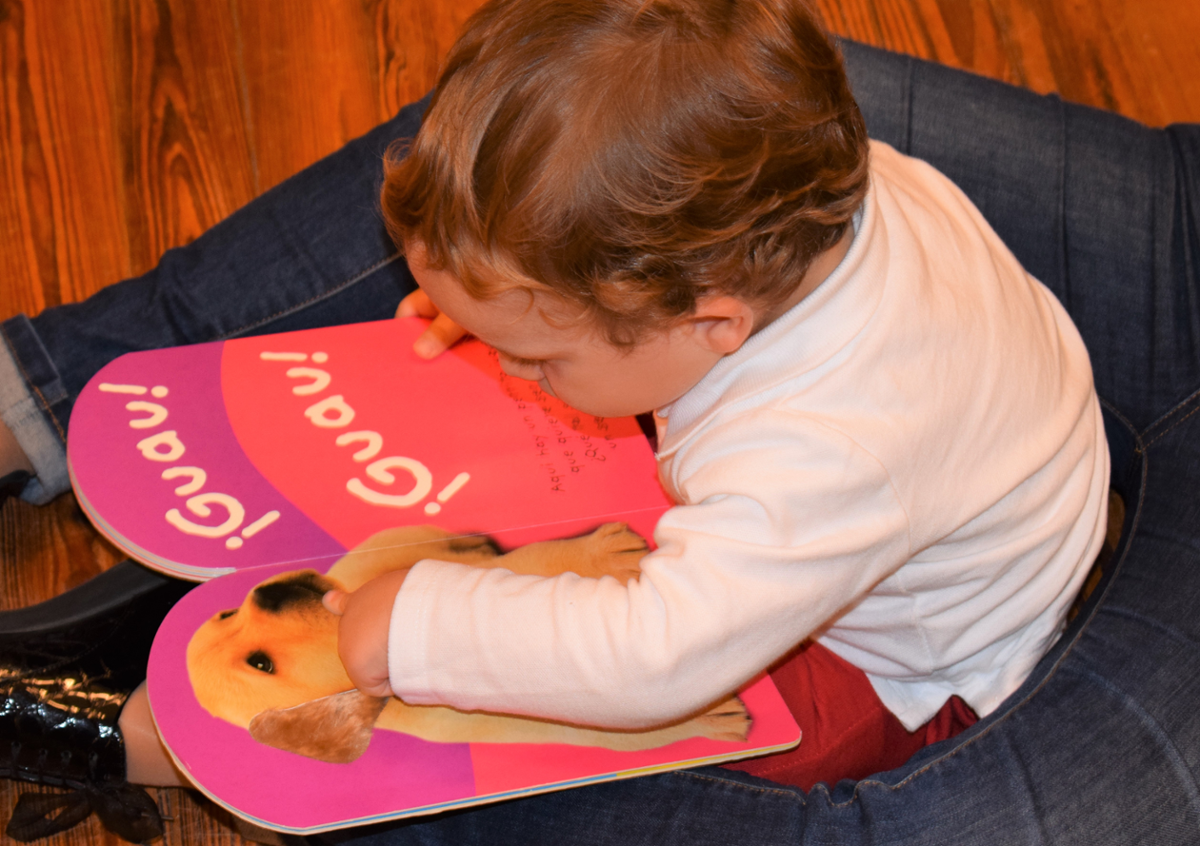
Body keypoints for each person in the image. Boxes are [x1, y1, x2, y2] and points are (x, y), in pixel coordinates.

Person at [3, 3, 1198, 845]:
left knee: (537, 728)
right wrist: (488, 291)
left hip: (889, 662)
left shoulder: (825, 453)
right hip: (855, 523)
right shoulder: (827, 202)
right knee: (526, 528)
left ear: (712, 320)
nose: (516, 367)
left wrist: (409, 630)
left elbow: (655, 660)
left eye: (538, 352)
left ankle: (169, 738)